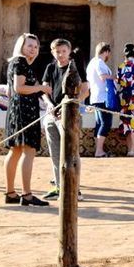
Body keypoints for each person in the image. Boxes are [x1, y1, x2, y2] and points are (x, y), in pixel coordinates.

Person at [3, 33, 51, 206]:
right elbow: (19, 88)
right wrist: (41, 87)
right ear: (21, 46)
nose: (33, 49)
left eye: (36, 46)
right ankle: (27, 194)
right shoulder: (20, 62)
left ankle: (10, 192)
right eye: (29, 45)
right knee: (28, 151)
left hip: (17, 110)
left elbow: (15, 91)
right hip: (24, 111)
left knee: (15, 151)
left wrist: (43, 93)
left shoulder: (18, 63)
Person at [40, 39, 89, 201]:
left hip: (70, 114)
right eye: (57, 51)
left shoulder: (75, 67)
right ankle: (60, 186)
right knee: (55, 153)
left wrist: (69, 106)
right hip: (51, 114)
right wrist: (50, 105)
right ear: (53, 52)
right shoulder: (50, 67)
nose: (60, 54)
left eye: (63, 51)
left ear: (69, 51)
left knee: (71, 152)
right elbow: (45, 90)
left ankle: (75, 188)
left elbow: (85, 91)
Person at [86, 42, 117, 158]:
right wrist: (115, 77)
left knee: (99, 123)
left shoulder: (91, 63)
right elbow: (103, 77)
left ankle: (99, 149)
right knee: (106, 123)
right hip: (103, 97)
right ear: (107, 52)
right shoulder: (99, 62)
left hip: (95, 97)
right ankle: (99, 151)